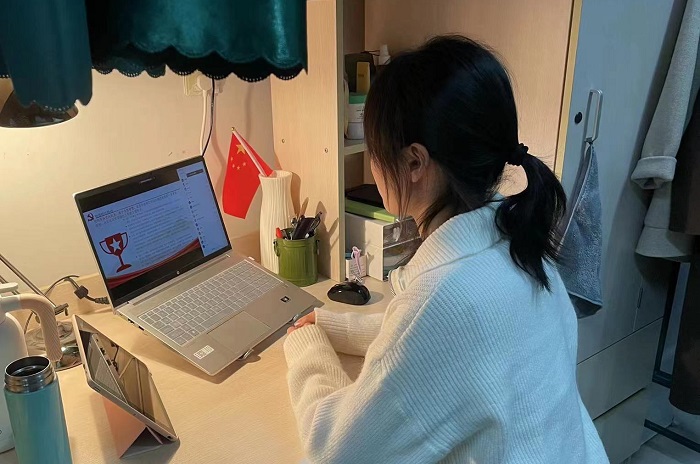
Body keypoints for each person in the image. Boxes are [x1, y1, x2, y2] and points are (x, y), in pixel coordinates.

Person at [284, 35, 608, 464]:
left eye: (376, 151)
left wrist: (306, 346)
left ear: (414, 162)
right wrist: (330, 324)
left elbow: (335, 451)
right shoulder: (518, 243)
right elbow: (429, 344)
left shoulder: (446, 300)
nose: (373, 165)